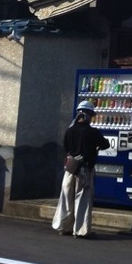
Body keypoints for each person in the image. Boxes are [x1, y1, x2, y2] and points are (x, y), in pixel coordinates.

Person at [52, 100, 110, 238]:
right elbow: (105, 144)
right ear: (89, 114)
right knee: (82, 199)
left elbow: (66, 147)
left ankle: (63, 227)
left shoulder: (69, 130)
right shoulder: (92, 132)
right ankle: (80, 230)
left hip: (70, 169)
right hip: (84, 170)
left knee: (66, 198)